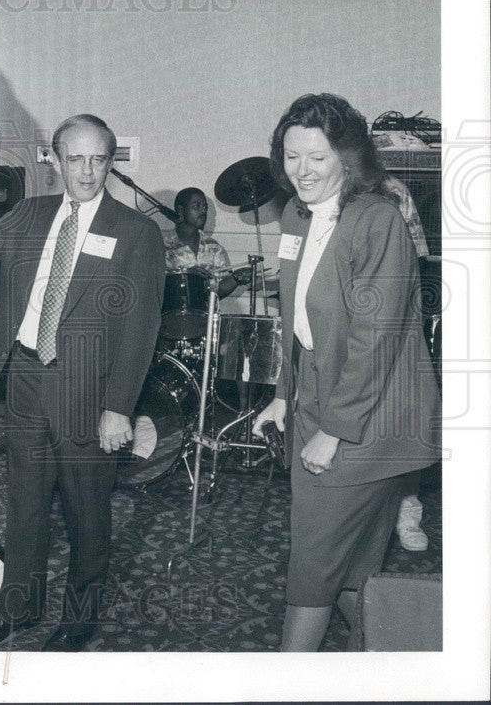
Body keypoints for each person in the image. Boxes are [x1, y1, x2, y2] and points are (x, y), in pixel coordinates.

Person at [0, 114, 166, 651]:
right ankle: (18, 609)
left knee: (88, 511)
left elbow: (140, 329)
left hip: (88, 391)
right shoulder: (30, 215)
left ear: (111, 162)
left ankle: (77, 620)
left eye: (99, 159)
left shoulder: (137, 233)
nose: (87, 170)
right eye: (75, 158)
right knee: (25, 503)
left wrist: (119, 407)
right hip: (26, 377)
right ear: (55, 161)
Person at [252, 93, 440, 652]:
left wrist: (335, 428)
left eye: (317, 157)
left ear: (348, 157)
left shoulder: (376, 219)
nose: (301, 171)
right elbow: (296, 320)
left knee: (312, 560)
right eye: (291, 156)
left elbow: (374, 341)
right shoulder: (294, 215)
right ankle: (391, 657)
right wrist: (284, 396)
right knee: (351, 565)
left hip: (369, 420)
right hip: (317, 403)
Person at [380, 173, 434, 552]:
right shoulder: (325, 190)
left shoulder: (393, 190)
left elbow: (416, 258)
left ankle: (406, 511)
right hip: (345, 324)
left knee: (404, 414)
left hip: (395, 319)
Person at [164, 186, 250, 298]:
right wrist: (186, 274)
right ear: (181, 210)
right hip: (172, 312)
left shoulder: (214, 247)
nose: (203, 210)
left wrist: (236, 277)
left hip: (207, 314)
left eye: (205, 207)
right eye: (197, 206)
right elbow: (157, 286)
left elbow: (219, 290)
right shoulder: (163, 245)